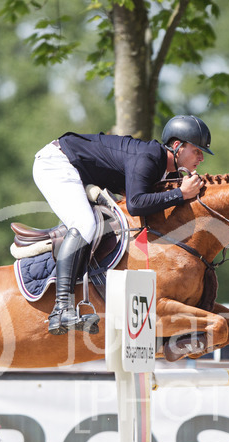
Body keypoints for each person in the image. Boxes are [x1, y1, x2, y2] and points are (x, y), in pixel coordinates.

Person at [32, 115, 213, 335]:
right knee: (84, 224)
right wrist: (181, 193)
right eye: (197, 151)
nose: (201, 158)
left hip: (77, 169)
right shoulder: (149, 157)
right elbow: (136, 204)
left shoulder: (169, 170)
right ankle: (61, 308)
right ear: (177, 146)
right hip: (56, 163)